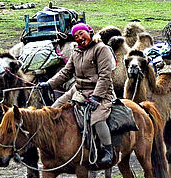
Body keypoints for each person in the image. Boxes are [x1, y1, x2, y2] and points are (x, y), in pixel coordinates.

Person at [38, 23, 116, 168]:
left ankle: (108, 150)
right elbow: (65, 72)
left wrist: (97, 97)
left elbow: (105, 76)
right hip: (78, 90)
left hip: (100, 92)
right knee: (53, 110)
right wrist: (49, 84)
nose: (80, 38)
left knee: (97, 119)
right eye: (76, 36)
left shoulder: (101, 49)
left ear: (89, 32)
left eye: (81, 34)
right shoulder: (77, 51)